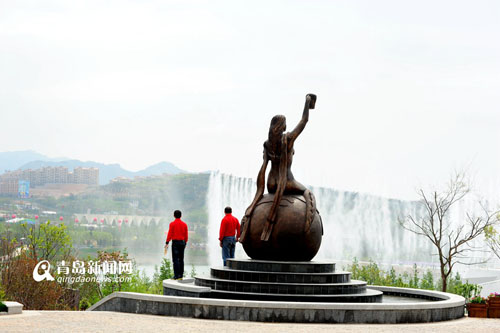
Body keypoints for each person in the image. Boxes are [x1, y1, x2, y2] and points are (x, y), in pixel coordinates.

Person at [240, 94, 317, 243]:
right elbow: (304, 121)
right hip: (287, 182)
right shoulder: (288, 139)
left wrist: (259, 194)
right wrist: (307, 103)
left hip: (271, 183)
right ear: (283, 126)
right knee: (308, 193)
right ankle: (308, 225)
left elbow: (263, 168)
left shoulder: (267, 143)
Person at [165, 210, 188, 279]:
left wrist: (167, 242)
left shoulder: (172, 224)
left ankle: (176, 275)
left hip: (175, 243)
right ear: (181, 216)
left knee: (175, 259)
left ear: (174, 215)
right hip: (182, 242)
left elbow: (170, 234)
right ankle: (181, 274)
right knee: (181, 259)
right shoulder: (184, 224)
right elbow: (186, 234)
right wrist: (185, 242)